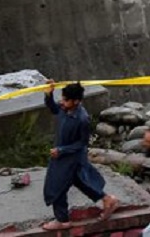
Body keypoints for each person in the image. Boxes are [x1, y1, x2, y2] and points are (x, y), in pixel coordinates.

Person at [42, 81, 118, 231]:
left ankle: (62, 220)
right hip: (63, 155)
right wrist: (48, 94)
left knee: (56, 186)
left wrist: (62, 150)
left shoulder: (82, 119)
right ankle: (107, 199)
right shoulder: (65, 108)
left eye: (65, 100)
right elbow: (53, 108)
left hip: (70, 157)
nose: (62, 103)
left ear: (76, 101)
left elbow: (82, 143)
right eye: (62, 99)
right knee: (81, 181)